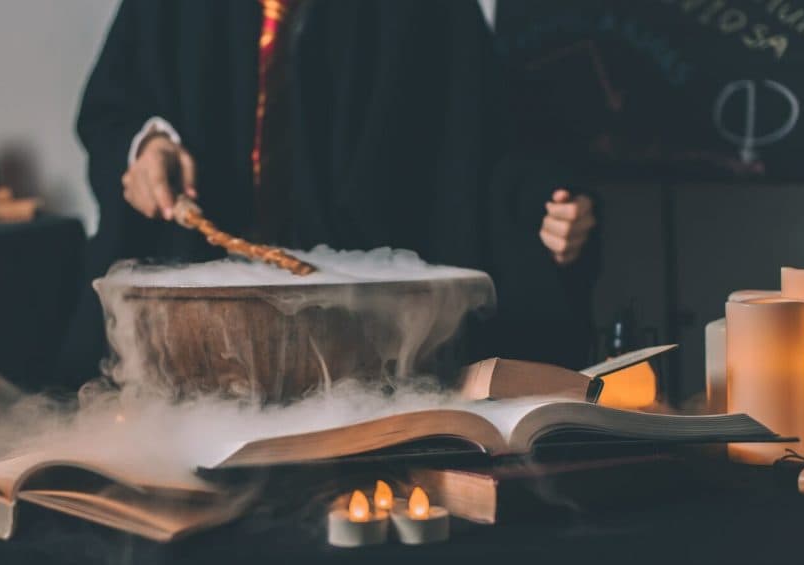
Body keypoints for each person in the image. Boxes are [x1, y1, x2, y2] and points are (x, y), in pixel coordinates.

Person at [62, 0, 598, 385]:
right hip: (191, 339)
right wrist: (146, 146)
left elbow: (484, 139)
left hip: (364, 340)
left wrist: (540, 209)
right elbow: (113, 106)